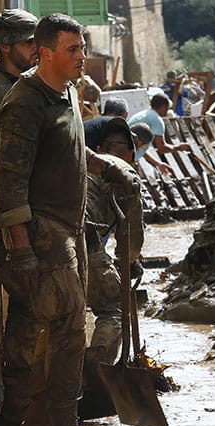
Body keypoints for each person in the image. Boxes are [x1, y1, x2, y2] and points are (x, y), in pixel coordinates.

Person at [0, 13, 132, 426]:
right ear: (45, 53)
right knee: (68, 331)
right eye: (73, 49)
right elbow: (9, 183)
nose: (82, 57)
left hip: (73, 228)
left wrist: (105, 164)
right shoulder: (24, 103)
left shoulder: (68, 92)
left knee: (64, 332)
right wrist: (21, 252)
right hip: (43, 232)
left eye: (83, 48)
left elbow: (71, 148)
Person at [0, 8, 39, 426]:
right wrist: (17, 234)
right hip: (12, 225)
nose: (37, 50)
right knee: (28, 312)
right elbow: (0, 171)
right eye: (29, 43)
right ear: (5, 46)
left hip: (32, 219)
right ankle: (16, 411)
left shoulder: (23, 87)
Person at [85, 118, 144, 361]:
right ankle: (97, 373)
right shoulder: (126, 175)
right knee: (116, 308)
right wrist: (129, 262)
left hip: (41, 236)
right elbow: (131, 235)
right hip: (84, 240)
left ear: (99, 150)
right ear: (131, 154)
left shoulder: (81, 161)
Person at [128, 92, 191, 170]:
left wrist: (158, 164)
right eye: (168, 107)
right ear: (163, 107)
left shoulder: (143, 114)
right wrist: (178, 147)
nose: (168, 110)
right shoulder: (156, 120)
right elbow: (161, 148)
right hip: (128, 158)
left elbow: (141, 148)